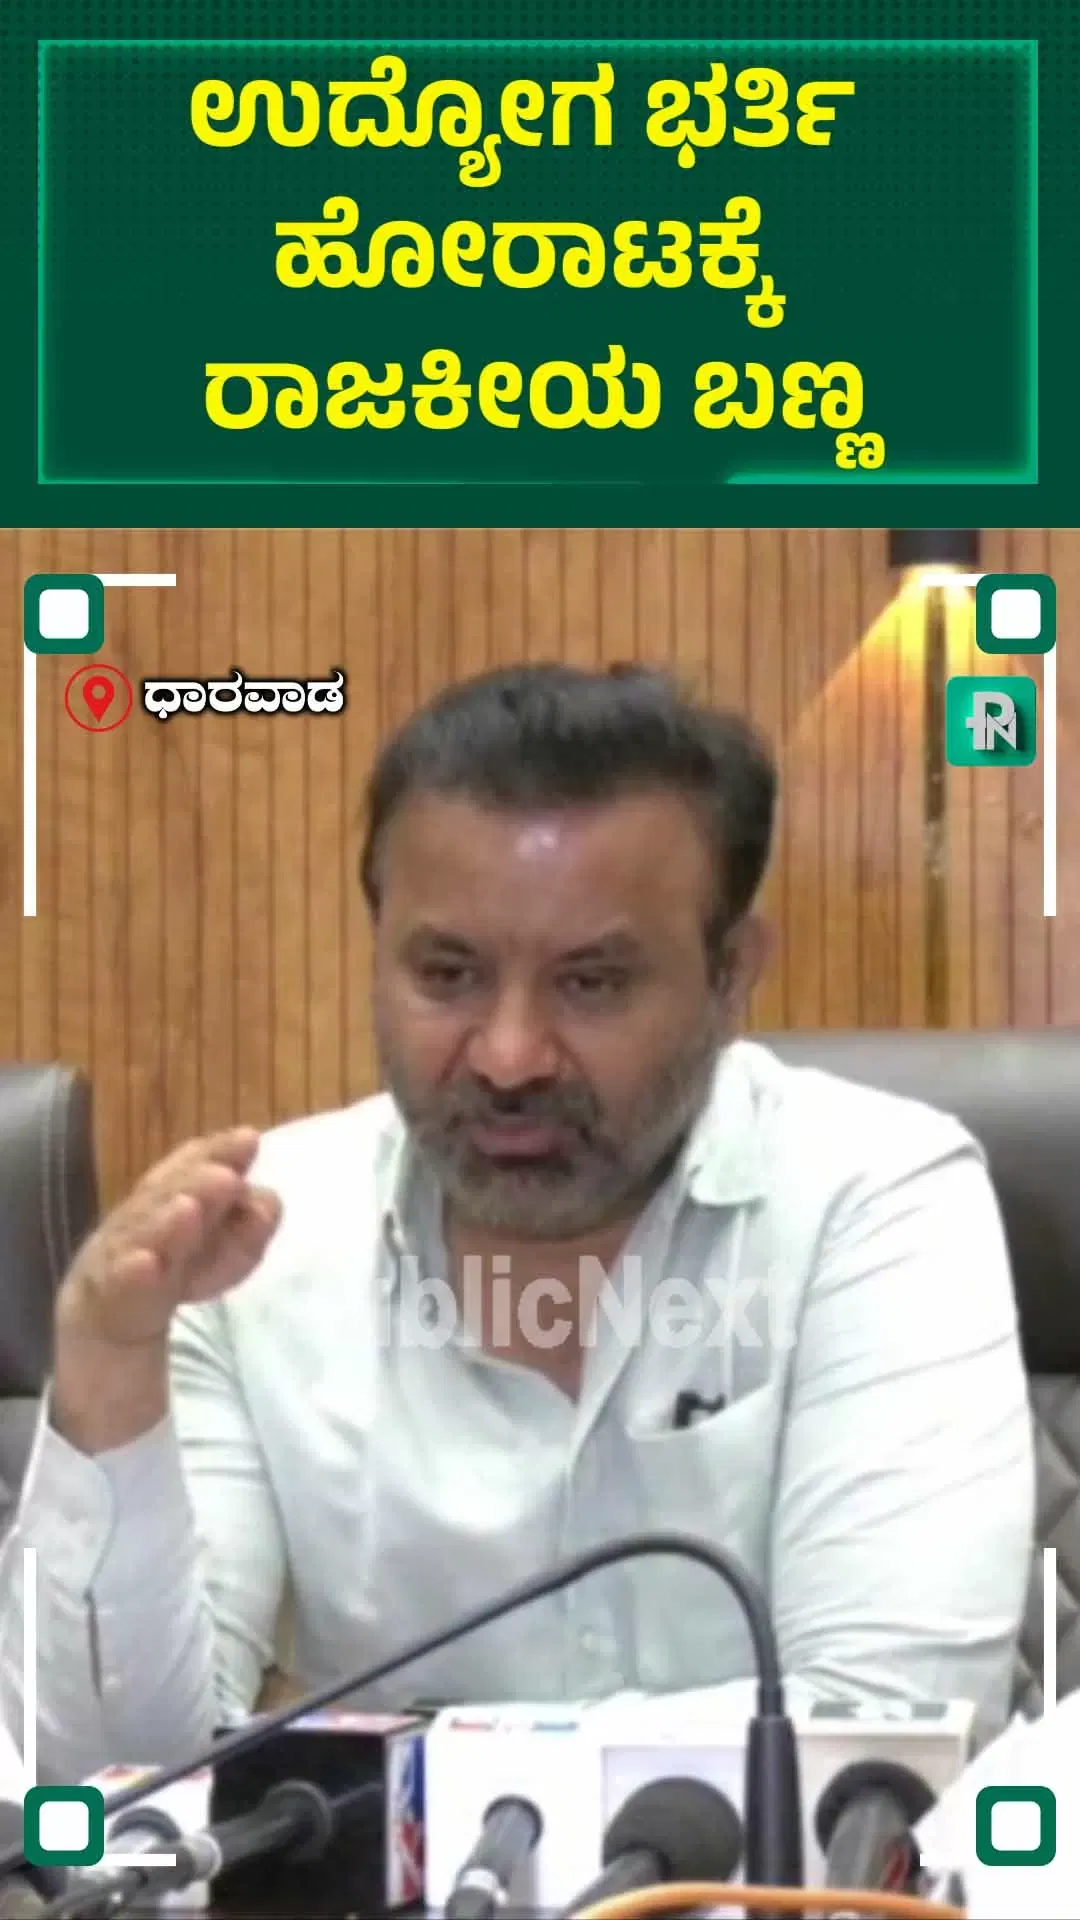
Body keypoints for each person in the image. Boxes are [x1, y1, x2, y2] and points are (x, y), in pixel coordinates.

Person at [0, 664, 1033, 1784]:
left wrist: (392, 1768)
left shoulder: (874, 1198)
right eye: (448, 974)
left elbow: (882, 1738)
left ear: (731, 975)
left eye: (592, 984)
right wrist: (108, 1371)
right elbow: (108, 1785)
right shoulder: (255, 1240)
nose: (507, 1057)